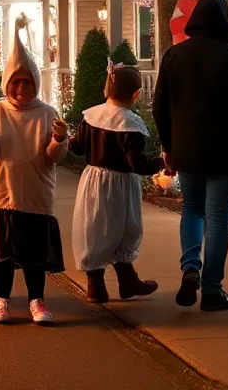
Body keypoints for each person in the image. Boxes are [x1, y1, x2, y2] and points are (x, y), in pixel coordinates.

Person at [153, 0, 228, 312]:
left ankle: (191, 267)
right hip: (225, 150)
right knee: (217, 218)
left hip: (187, 148)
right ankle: (213, 291)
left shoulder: (174, 56)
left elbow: (160, 105)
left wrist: (168, 147)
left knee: (192, 209)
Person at [0, 26, 69, 326]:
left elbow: (53, 157)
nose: (21, 88)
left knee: (35, 255)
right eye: (16, 82)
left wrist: (59, 139)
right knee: (4, 253)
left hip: (36, 191)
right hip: (1, 192)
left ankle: (37, 300)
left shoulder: (48, 113)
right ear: (7, 84)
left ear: (35, 83)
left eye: (27, 82)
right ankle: (3, 299)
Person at [70, 63, 165, 303]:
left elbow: (77, 148)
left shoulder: (90, 117)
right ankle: (127, 279)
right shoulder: (129, 124)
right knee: (123, 228)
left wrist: (62, 137)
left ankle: (96, 286)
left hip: (93, 181)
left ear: (106, 89)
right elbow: (138, 164)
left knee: (94, 228)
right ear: (136, 94)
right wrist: (162, 162)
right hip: (121, 184)